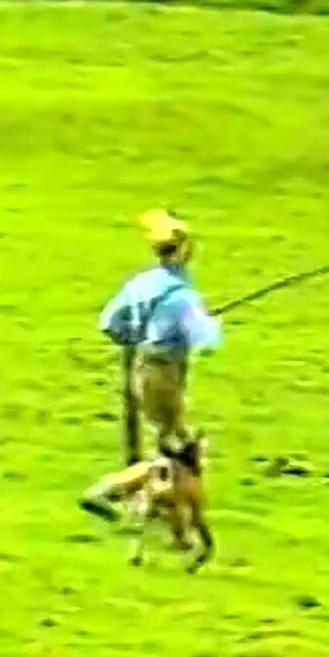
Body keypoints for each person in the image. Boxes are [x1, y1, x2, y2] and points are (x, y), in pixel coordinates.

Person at [79, 208, 222, 524]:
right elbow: (208, 338)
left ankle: (160, 509)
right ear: (183, 250)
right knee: (175, 446)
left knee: (166, 439)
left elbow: (110, 322)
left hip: (141, 363)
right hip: (165, 370)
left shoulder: (143, 283)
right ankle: (107, 491)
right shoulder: (181, 293)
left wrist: (135, 336)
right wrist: (205, 319)